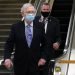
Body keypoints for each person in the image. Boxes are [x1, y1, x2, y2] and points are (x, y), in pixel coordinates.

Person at [3, 3, 53, 75]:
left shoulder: (40, 26)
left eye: (33, 12)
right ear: (22, 14)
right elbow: (9, 44)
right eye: (28, 12)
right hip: (20, 65)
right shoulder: (16, 27)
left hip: (36, 65)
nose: (31, 14)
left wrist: (43, 57)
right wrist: (7, 58)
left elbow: (46, 44)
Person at [35, 2, 61, 75]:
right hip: (36, 52)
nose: (45, 11)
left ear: (50, 10)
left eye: (47, 9)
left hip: (49, 52)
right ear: (40, 9)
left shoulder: (55, 21)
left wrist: (57, 43)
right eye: (44, 9)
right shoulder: (34, 20)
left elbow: (58, 36)